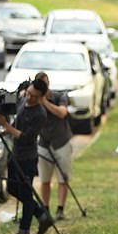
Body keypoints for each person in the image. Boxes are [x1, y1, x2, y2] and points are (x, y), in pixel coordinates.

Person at [0, 79, 52, 234]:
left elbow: (26, 137)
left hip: (27, 157)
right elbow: (16, 124)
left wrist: (6, 126)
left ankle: (24, 231)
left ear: (40, 97)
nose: (29, 98)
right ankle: (41, 214)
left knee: (26, 193)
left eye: (34, 96)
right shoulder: (22, 102)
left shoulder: (40, 114)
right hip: (15, 154)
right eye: (28, 94)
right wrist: (4, 130)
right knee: (12, 188)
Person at [34, 72, 73, 221]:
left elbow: (62, 113)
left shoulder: (59, 96)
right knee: (45, 179)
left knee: (63, 178)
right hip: (43, 143)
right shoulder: (34, 100)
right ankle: (45, 208)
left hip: (61, 142)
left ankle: (60, 209)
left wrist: (45, 102)